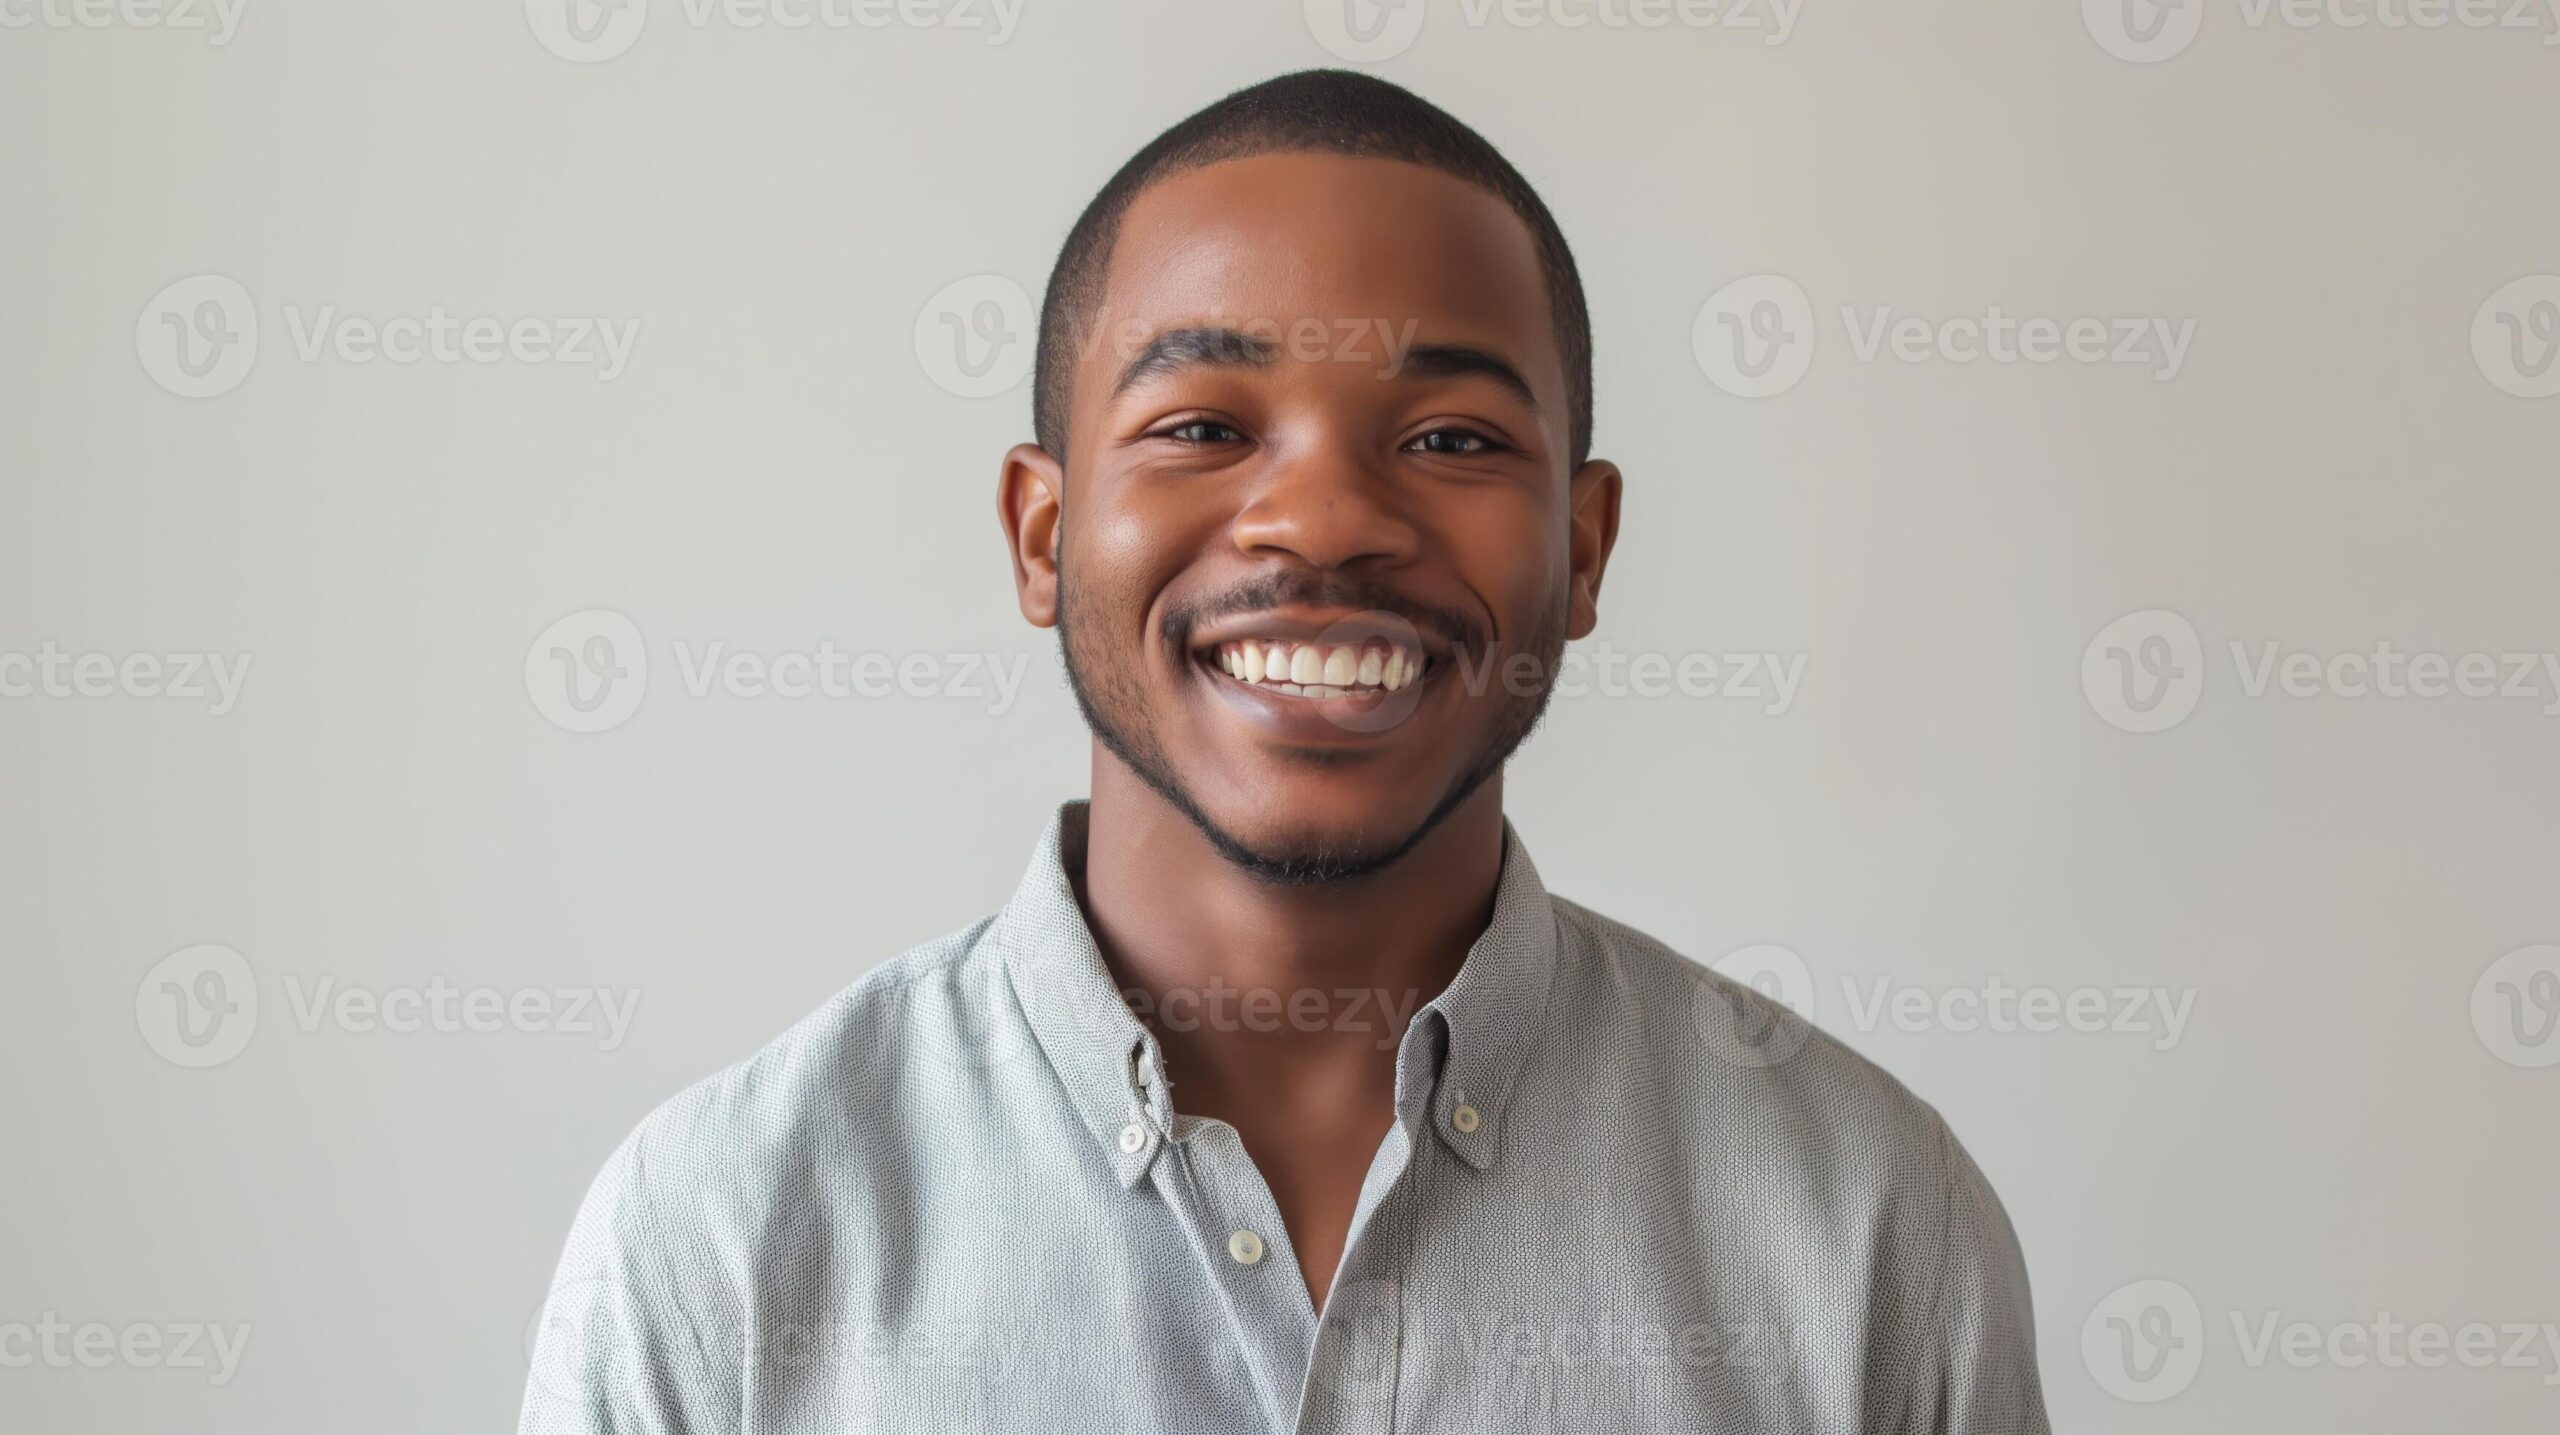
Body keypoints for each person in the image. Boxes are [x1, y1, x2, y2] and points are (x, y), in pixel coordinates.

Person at [523, 68, 2050, 1434]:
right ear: (1043, 536)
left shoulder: (1868, 1235)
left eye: (1449, 438)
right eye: (1201, 425)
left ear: (1582, 554)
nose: (1320, 522)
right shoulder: (718, 1247)